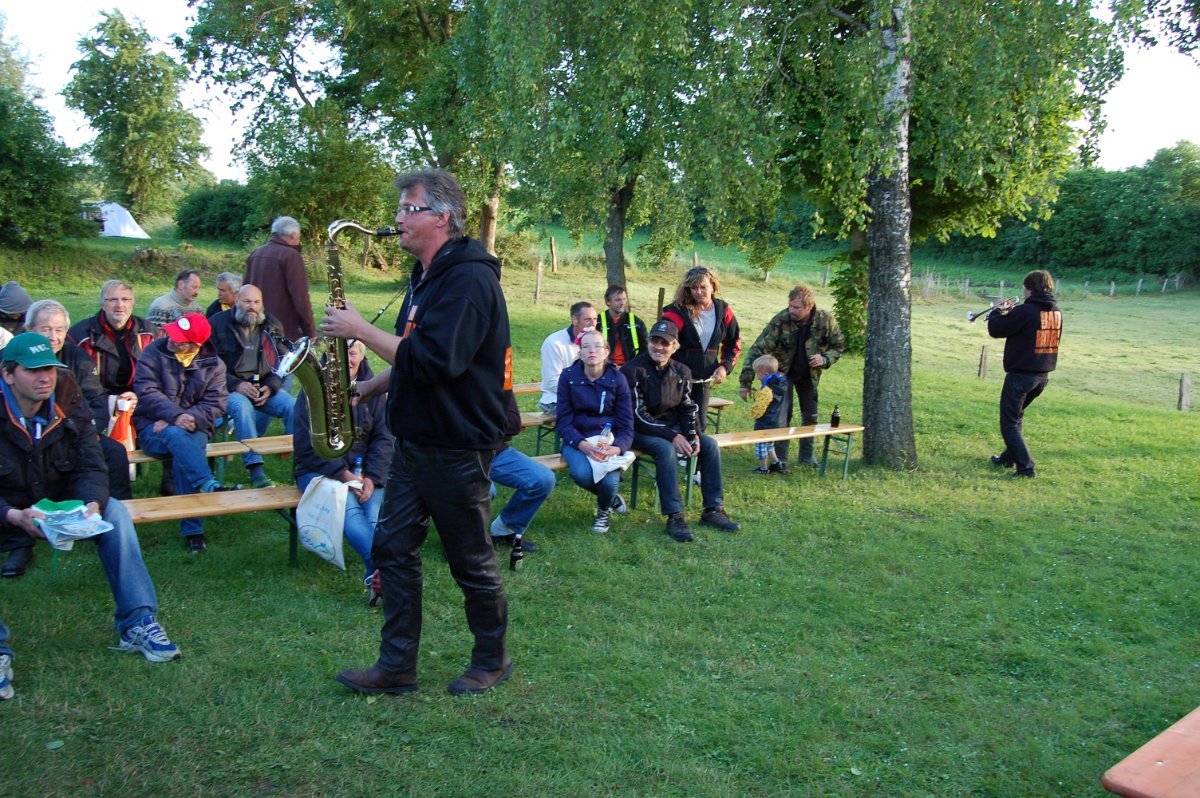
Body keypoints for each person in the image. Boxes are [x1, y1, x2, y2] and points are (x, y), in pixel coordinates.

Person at [322, 168, 514, 697]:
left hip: (456, 445)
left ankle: (492, 659)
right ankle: (397, 665)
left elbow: (436, 360)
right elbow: (411, 350)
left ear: (441, 217)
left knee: (470, 558)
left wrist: (358, 329)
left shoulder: (469, 280)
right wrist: (369, 390)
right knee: (393, 548)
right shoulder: (424, 274)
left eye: (408, 210)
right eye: (401, 210)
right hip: (413, 439)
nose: (397, 220)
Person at [0, 332, 181, 689]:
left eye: (50, 369)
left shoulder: (67, 392)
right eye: (33, 370)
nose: (45, 378)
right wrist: (13, 516)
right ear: (8, 374)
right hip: (8, 506)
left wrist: (92, 504)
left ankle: (137, 621)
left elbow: (90, 460)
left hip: (59, 500)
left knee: (115, 515)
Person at [621, 319, 739, 542]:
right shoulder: (632, 370)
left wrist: (691, 433)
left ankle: (713, 510)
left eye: (665, 343)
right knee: (665, 450)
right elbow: (638, 415)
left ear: (675, 347)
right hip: (639, 431)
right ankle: (675, 516)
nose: (659, 347)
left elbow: (687, 407)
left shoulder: (682, 371)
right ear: (648, 342)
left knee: (710, 445)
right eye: (655, 341)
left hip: (672, 429)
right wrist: (673, 435)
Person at [293, 340, 392, 603]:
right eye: (340, 351)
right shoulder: (313, 390)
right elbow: (306, 446)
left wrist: (371, 477)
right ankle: (386, 573)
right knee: (346, 505)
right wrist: (343, 475)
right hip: (320, 471)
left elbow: (384, 438)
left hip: (365, 471)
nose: (346, 357)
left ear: (363, 355)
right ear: (330, 355)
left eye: (352, 351)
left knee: (373, 517)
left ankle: (377, 577)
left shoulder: (376, 389)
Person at [132, 312, 233, 552]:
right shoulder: (152, 353)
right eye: (172, 332)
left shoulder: (215, 366)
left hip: (193, 429)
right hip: (152, 428)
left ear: (195, 345)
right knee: (179, 438)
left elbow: (216, 405)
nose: (170, 339)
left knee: (182, 447)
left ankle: (194, 530)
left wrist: (183, 419)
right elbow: (146, 392)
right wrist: (174, 416)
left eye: (179, 338)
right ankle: (202, 506)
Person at [23, 299, 133, 501]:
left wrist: (82, 433)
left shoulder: (78, 358)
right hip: (25, 437)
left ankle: (118, 511)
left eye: (59, 330)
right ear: (28, 328)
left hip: (72, 433)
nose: (53, 337)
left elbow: (96, 402)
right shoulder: (11, 359)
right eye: (46, 329)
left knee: (115, 452)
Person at [738, 284, 845, 469]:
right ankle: (780, 458)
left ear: (809, 307)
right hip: (781, 375)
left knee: (810, 416)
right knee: (781, 416)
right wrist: (745, 382)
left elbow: (839, 346)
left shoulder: (825, 320)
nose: (791, 310)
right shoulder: (781, 320)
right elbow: (758, 349)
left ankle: (807, 456)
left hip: (809, 375)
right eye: (790, 306)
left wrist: (825, 358)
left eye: (796, 308)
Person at [209, 284, 295, 487]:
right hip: (227, 388)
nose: (252, 307)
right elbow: (209, 363)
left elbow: (282, 361)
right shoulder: (217, 324)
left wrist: (272, 386)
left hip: (262, 386)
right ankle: (256, 469)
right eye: (247, 301)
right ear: (236, 301)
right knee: (242, 407)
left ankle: (297, 462)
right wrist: (236, 384)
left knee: (294, 406)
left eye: (257, 302)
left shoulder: (272, 325)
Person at [556, 329, 634, 534]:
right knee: (582, 474)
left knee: (609, 481)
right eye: (586, 346)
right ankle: (611, 499)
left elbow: (627, 426)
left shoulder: (618, 379)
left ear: (606, 351)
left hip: (608, 440)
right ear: (580, 352)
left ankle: (603, 510)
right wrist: (583, 445)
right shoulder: (568, 377)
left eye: (597, 346)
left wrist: (616, 449)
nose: (591, 351)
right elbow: (563, 422)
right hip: (578, 438)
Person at [987, 269, 1063, 479]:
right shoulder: (1056, 311)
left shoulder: (1026, 310)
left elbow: (996, 330)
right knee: (1016, 417)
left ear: (1030, 288)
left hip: (1020, 375)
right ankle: (1007, 458)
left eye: (1025, 288)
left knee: (1009, 423)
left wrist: (997, 311)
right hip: (1042, 376)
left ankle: (1026, 468)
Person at [661, 266, 740, 431]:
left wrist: (725, 367)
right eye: (694, 288)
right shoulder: (677, 311)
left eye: (703, 287)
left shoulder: (723, 311)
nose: (698, 292)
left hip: (704, 381)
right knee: (676, 424)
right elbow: (661, 341)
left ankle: (693, 456)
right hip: (677, 380)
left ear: (713, 287)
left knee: (698, 427)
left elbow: (734, 342)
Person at [489, 392, 555, 553]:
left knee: (543, 479)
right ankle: (461, 543)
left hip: (494, 450)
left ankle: (504, 530)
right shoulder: (453, 376)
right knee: (483, 491)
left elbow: (513, 423)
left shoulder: (498, 378)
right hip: (457, 454)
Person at [68, 279, 154, 399]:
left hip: (141, 400)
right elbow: (75, 381)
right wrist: (111, 401)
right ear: (103, 305)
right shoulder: (79, 336)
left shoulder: (150, 333)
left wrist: (139, 396)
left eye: (125, 299)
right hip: (95, 402)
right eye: (113, 300)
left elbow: (159, 375)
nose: (120, 305)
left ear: (133, 304)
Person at [243, 216, 315, 343]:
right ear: (293, 236)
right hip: (283, 329)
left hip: (256, 326)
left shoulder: (256, 253)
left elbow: (245, 289)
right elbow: (300, 297)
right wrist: (310, 331)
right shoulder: (291, 256)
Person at [538, 301, 598, 417]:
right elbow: (552, 382)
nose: (593, 324)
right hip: (555, 401)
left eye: (595, 319)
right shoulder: (554, 343)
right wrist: (583, 392)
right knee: (589, 417)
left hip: (587, 398)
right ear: (575, 320)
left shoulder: (595, 342)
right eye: (587, 319)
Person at [748, 354, 788, 474]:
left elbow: (760, 407)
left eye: (757, 374)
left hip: (766, 423)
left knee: (761, 445)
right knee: (769, 444)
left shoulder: (767, 389)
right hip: (779, 421)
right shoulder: (781, 382)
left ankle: (763, 468)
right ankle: (776, 463)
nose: (757, 377)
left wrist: (753, 413)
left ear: (764, 373)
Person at [599, 284, 647, 367]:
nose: (622, 303)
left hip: (631, 367)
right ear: (607, 302)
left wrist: (632, 365)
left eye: (624, 299)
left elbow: (646, 347)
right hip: (604, 367)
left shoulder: (636, 322)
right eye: (618, 300)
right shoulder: (597, 322)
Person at [145, 269, 203, 336]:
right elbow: (155, 339)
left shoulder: (198, 309)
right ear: (181, 285)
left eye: (198, 288)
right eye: (194, 287)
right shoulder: (161, 307)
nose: (197, 292)